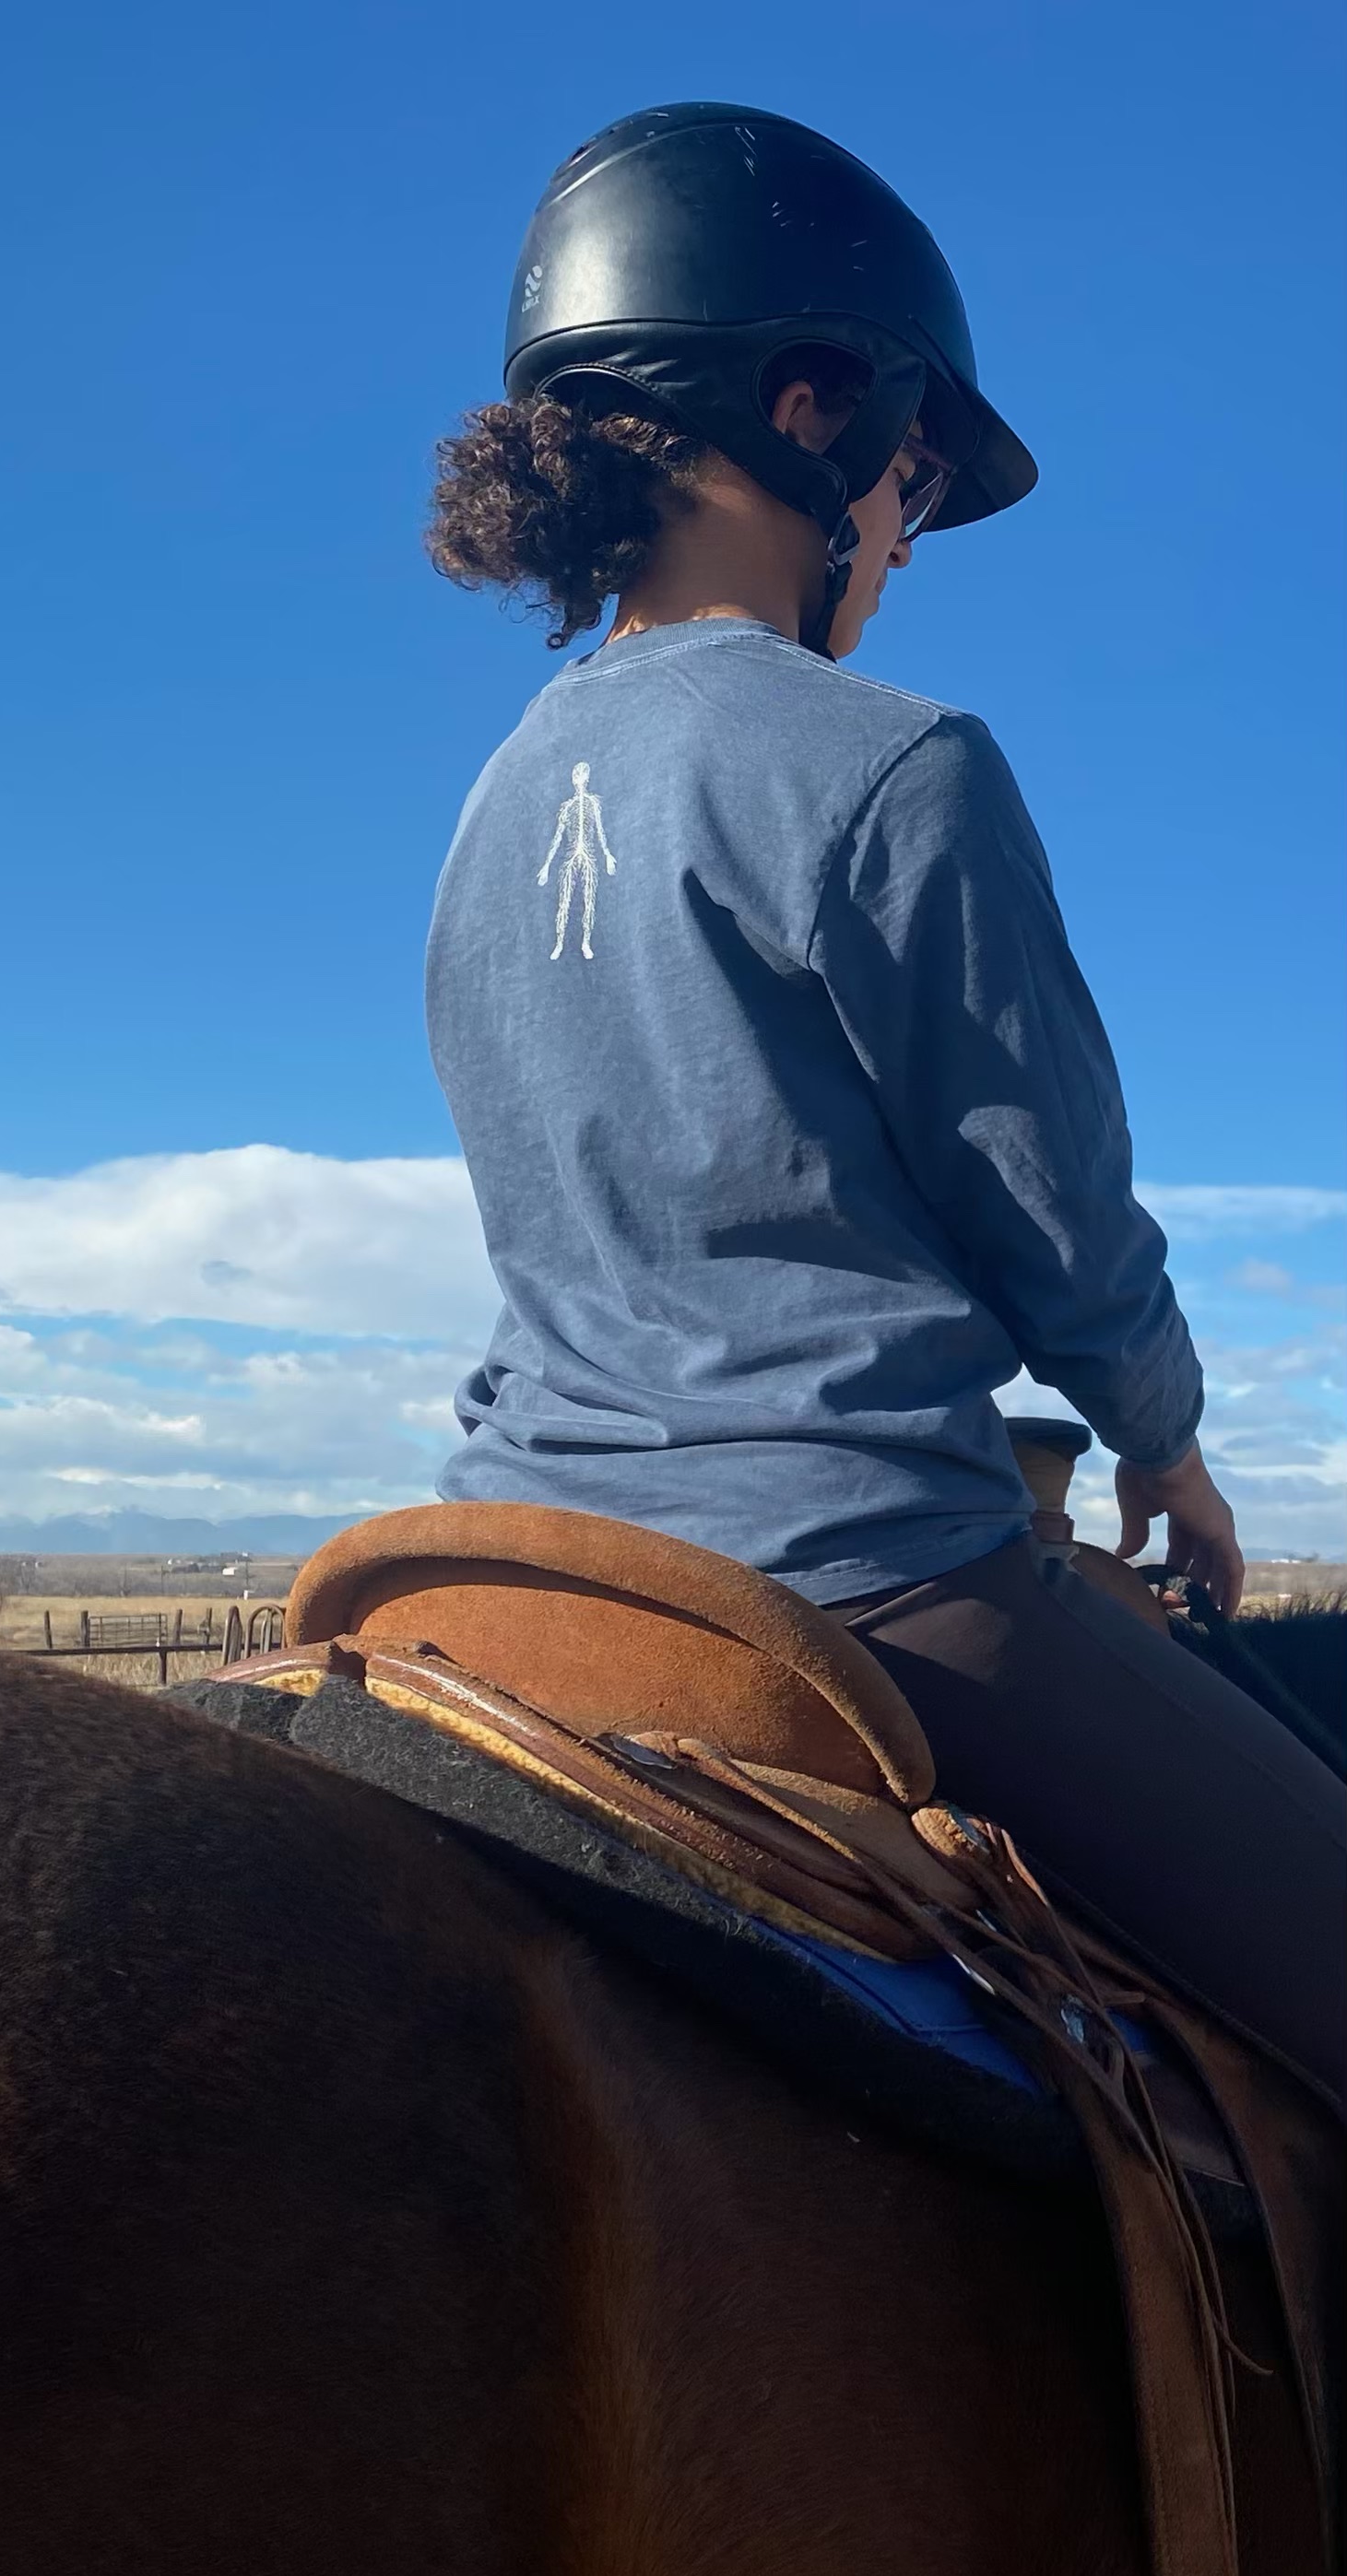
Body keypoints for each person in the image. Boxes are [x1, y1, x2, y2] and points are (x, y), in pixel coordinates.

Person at [421, 104, 1344, 2114]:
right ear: (814, 411)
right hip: (848, 1558)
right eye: (916, 476)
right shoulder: (887, 760)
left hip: (518, 1547)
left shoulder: (488, 805)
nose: (909, 536)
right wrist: (1166, 1444)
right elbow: (1048, 1199)